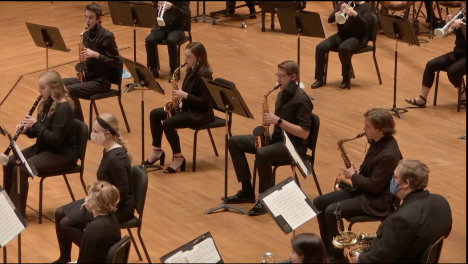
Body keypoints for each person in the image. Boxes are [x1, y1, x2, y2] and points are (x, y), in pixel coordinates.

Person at [312, 108, 403, 263]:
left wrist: (353, 176)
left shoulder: (389, 154)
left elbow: (374, 186)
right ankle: (328, 250)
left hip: (377, 200)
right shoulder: (378, 142)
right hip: (364, 191)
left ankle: (337, 256)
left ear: (379, 129)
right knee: (319, 202)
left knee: (332, 211)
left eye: (367, 126)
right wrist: (355, 173)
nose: (363, 129)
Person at [223, 61, 313, 216]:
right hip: (277, 139)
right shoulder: (281, 93)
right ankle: (246, 191)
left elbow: (304, 133)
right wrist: (271, 130)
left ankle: (265, 200)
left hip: (293, 145)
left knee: (262, 154)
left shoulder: (301, 100)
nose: (278, 79)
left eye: (281, 76)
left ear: (293, 77)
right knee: (234, 142)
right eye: (277, 75)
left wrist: (277, 121)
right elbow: (281, 120)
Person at [53, 113, 134, 264]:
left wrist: (98, 204)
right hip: (104, 199)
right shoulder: (108, 150)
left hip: (115, 207)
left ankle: (93, 256)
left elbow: (122, 192)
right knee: (59, 213)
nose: (92, 134)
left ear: (107, 134)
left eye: (96, 132)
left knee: (65, 223)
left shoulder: (116, 158)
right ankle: (64, 258)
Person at [2, 70, 77, 218]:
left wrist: (35, 125)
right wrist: (26, 130)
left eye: (42, 88)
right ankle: (7, 207)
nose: (39, 91)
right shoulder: (47, 103)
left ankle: (17, 215)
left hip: (61, 154)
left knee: (22, 169)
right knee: (10, 162)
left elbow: (55, 139)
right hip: (45, 148)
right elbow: (38, 132)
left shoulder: (63, 108)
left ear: (54, 87)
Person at [354, 159, 453, 263]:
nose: (391, 180)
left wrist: (360, 259)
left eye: (394, 177)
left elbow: (381, 258)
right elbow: (445, 233)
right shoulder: (441, 201)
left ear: (406, 183)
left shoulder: (401, 219)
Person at [144, 42, 214, 173]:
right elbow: (190, 93)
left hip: (199, 114)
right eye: (185, 56)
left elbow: (205, 101)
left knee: (169, 123)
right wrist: (180, 101)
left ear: (198, 58)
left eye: (189, 57)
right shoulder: (190, 69)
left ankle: (178, 157)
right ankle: (157, 151)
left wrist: (185, 95)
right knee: (155, 113)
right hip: (188, 107)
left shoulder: (205, 74)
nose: (185, 60)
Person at [63, 3, 121, 122]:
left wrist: (96, 55)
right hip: (88, 78)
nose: (87, 21)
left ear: (99, 19)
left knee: (70, 90)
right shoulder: (86, 35)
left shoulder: (107, 36)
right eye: (86, 17)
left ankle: (79, 126)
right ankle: (66, 121)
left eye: (91, 17)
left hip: (101, 82)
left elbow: (116, 62)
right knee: (58, 84)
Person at [405, 2, 466, 109]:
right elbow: (446, 35)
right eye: (463, 3)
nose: (463, 5)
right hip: (458, 52)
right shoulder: (460, 15)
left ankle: (464, 96)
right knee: (431, 64)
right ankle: (422, 99)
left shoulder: (461, 19)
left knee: (453, 71)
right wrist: (447, 26)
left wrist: (462, 24)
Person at [311, 1, 371, 89]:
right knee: (320, 47)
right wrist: (339, 11)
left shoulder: (366, 7)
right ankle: (319, 79)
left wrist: (355, 14)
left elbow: (365, 26)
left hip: (359, 37)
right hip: (342, 34)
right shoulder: (344, 3)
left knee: (343, 48)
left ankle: (346, 77)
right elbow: (330, 19)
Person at [75, 181, 121, 263]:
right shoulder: (113, 219)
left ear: (94, 202)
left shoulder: (93, 227)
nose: (86, 198)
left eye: (88, 195)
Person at [145, 1, 190, 82]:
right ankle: (153, 69)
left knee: (171, 40)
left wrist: (172, 7)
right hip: (161, 27)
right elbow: (152, 12)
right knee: (149, 39)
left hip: (177, 28)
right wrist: (157, 9)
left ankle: (173, 71)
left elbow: (185, 15)